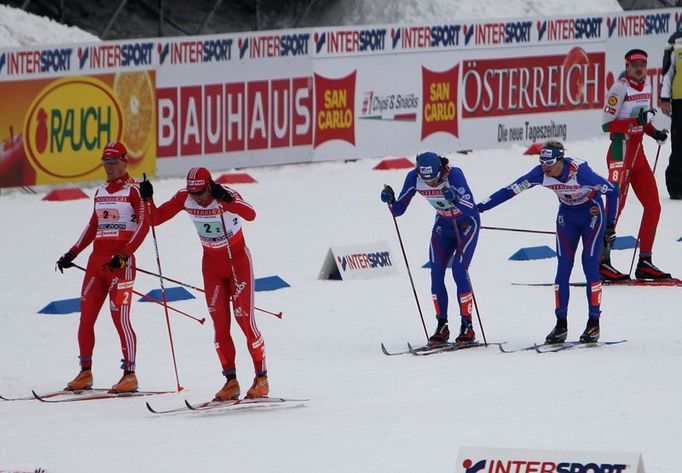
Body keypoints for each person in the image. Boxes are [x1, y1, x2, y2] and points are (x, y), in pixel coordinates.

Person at [139, 167, 267, 400]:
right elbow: (154, 219)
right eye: (193, 193)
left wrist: (227, 201)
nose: (197, 197)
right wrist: (147, 199)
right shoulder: (185, 197)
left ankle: (261, 378)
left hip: (237, 263)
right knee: (220, 326)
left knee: (245, 321)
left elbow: (251, 214)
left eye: (201, 192)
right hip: (211, 267)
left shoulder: (225, 194)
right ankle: (231, 381)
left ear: (210, 185)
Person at [477, 141, 617, 343]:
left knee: (589, 264)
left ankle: (593, 323)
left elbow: (612, 191)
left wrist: (611, 224)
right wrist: (480, 207)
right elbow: (510, 190)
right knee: (563, 268)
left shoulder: (580, 172)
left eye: (550, 162)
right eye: (542, 161)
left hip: (592, 214)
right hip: (567, 216)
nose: (545, 166)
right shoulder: (540, 173)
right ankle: (561, 324)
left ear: (560, 160)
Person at [55, 141, 149, 393]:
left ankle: (130, 374)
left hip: (120, 264)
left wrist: (125, 253)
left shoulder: (135, 190)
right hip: (97, 262)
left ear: (124, 161)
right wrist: (72, 252)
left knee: (120, 318)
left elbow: (144, 225)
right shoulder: (100, 192)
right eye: (105, 162)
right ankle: (85, 372)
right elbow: (92, 226)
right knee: (86, 317)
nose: (108, 167)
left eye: (113, 162)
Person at [381, 151, 481, 346]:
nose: (431, 184)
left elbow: (472, 208)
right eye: (426, 180)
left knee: (459, 271)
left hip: (467, 225)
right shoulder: (413, 177)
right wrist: (390, 200)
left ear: (441, 170)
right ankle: (442, 325)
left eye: (434, 179)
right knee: (436, 274)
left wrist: (456, 200)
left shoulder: (454, 174)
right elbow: (398, 211)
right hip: (443, 226)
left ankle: (467, 326)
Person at [600, 49, 671, 281]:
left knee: (653, 206)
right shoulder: (619, 88)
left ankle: (645, 262)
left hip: (638, 153)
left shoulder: (648, 87)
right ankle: (602, 262)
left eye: (642, 64)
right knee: (615, 208)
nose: (639, 68)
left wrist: (654, 133)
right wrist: (632, 122)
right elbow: (607, 126)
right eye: (634, 64)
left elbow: (644, 121)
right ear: (627, 66)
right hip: (621, 151)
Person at [660, 29, 682, 200]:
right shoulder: (676, 39)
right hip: (680, 98)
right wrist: (664, 97)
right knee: (679, 143)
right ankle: (676, 186)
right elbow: (668, 72)